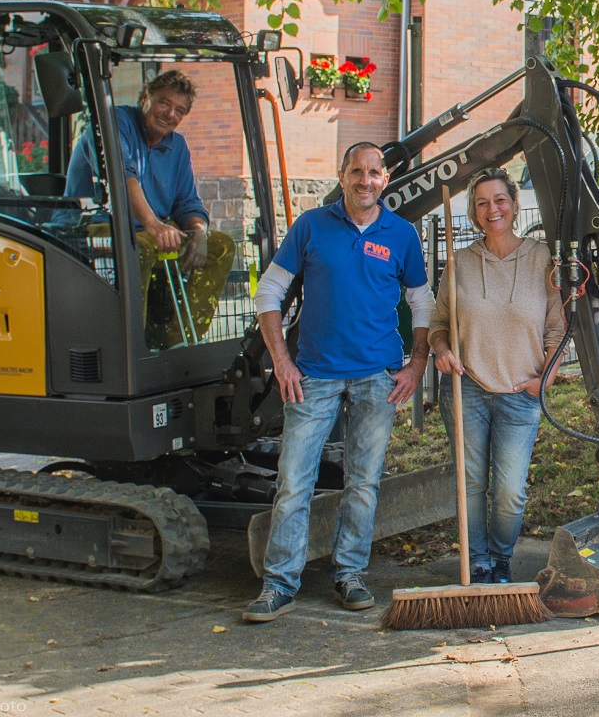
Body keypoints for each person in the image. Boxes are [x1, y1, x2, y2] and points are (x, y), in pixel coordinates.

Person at [242, 142, 432, 621]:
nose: (364, 180)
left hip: (378, 378)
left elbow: (423, 305)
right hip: (314, 377)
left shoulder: (402, 234)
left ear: (384, 179)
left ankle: (349, 574)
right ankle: (279, 583)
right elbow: (269, 292)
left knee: (363, 483)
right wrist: (282, 362)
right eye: (355, 172)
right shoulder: (311, 226)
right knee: (293, 483)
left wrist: (417, 366)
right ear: (342, 175)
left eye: (373, 172)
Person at [429, 168, 565, 585]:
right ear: (473, 212)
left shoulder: (543, 259)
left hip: (520, 392)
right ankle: (478, 562)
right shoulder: (460, 263)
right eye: (483, 203)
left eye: (500, 200)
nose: (493, 209)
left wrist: (546, 379)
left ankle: (502, 558)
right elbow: (438, 324)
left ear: (514, 203)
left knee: (509, 491)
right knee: (470, 483)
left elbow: (557, 331)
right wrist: (442, 350)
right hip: (467, 388)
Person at [64, 70, 234, 348]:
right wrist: (155, 226)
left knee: (221, 246)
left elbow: (187, 201)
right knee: (137, 248)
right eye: (163, 103)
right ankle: (132, 348)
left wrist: (199, 233)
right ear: (145, 98)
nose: (170, 115)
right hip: (94, 225)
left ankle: (178, 343)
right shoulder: (115, 122)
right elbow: (121, 176)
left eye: (180, 110)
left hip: (149, 230)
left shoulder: (177, 146)